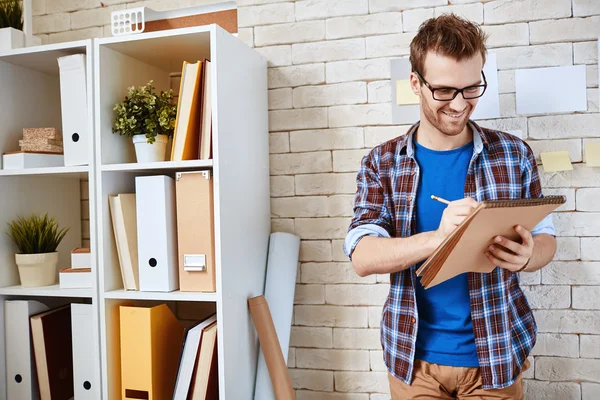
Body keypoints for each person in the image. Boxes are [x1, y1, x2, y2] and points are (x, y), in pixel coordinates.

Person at [344, 14, 557, 400]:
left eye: (471, 88)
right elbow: (363, 256)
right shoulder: (382, 163)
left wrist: (527, 255)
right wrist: (440, 238)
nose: (460, 105)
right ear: (416, 84)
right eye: (443, 90)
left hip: (496, 356)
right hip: (413, 361)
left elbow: (546, 239)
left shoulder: (513, 154)